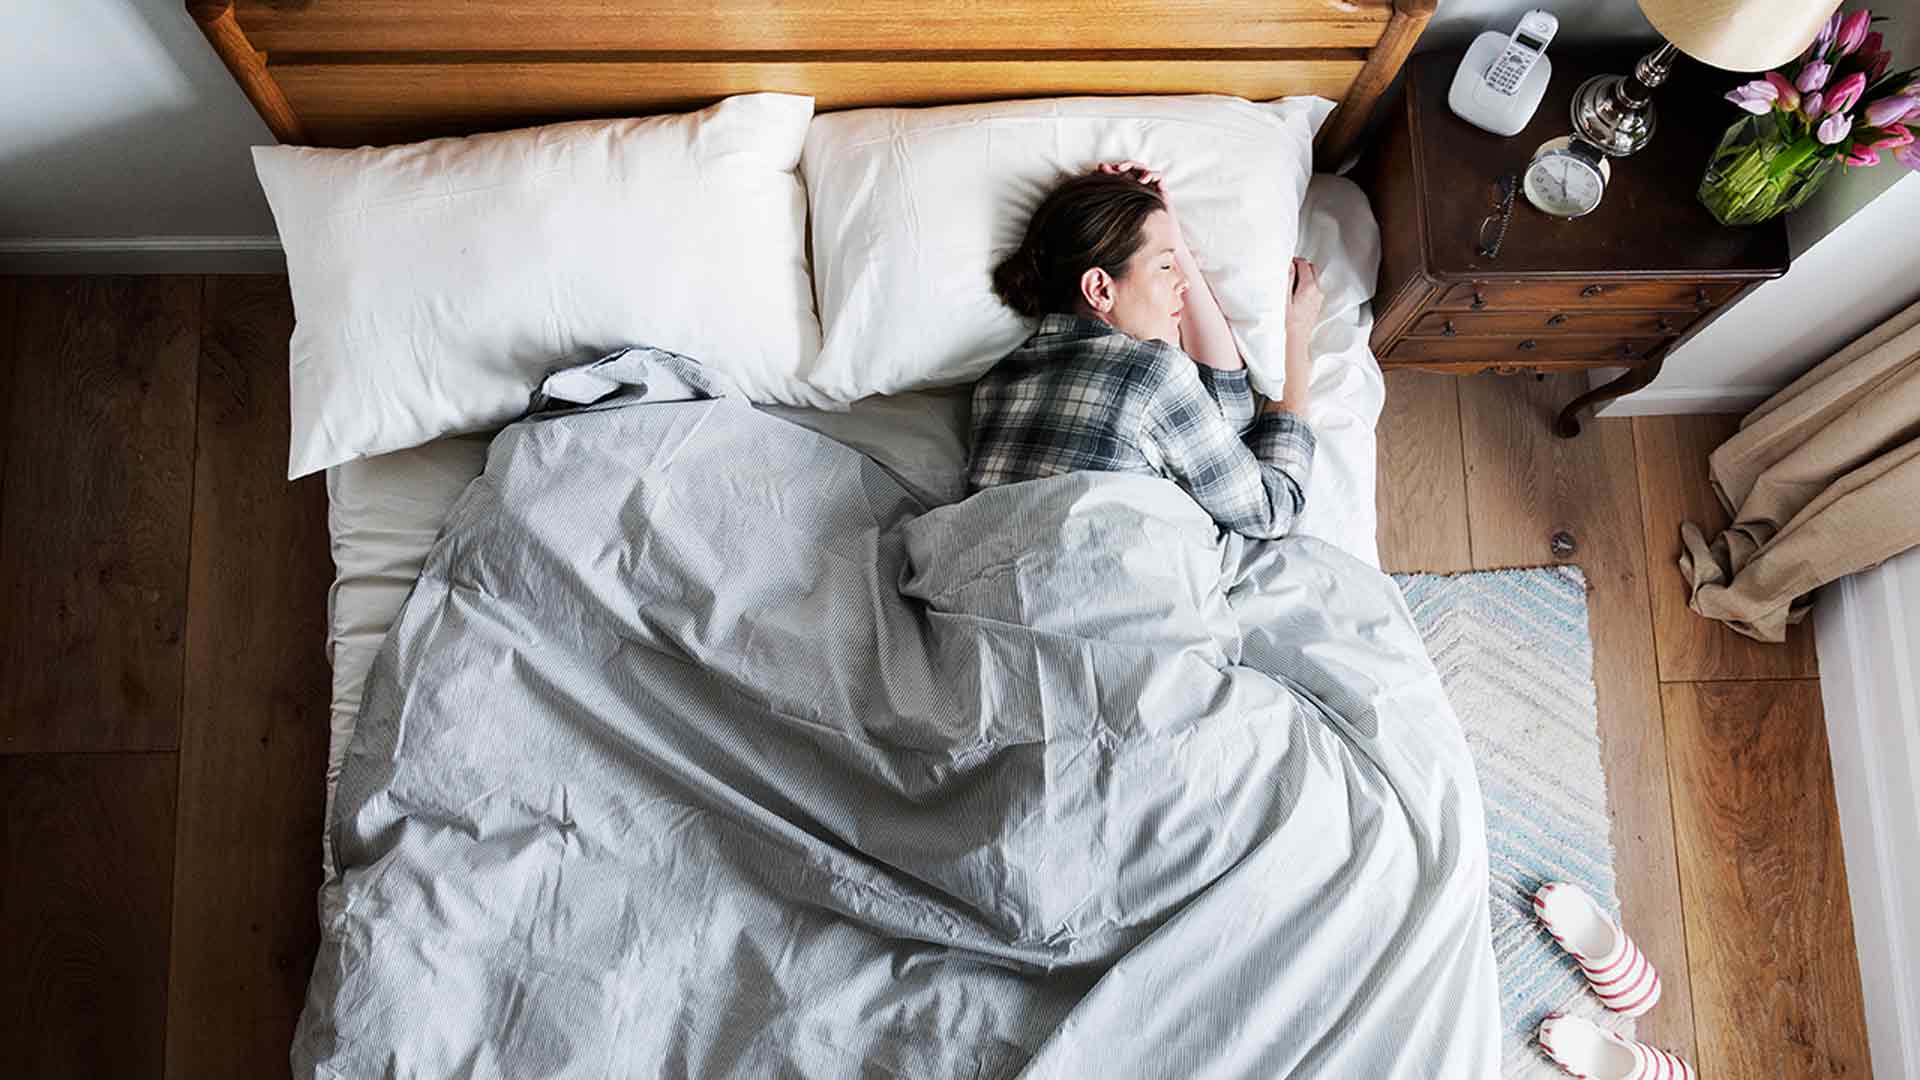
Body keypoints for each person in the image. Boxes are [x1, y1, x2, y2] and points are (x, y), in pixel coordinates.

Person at [967, 162, 1323, 540]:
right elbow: (1271, 510)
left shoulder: (992, 386)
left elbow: (1224, 418)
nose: (1184, 283)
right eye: (1167, 266)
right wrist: (1297, 337)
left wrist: (1171, 239)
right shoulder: (1153, 374)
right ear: (1100, 290)